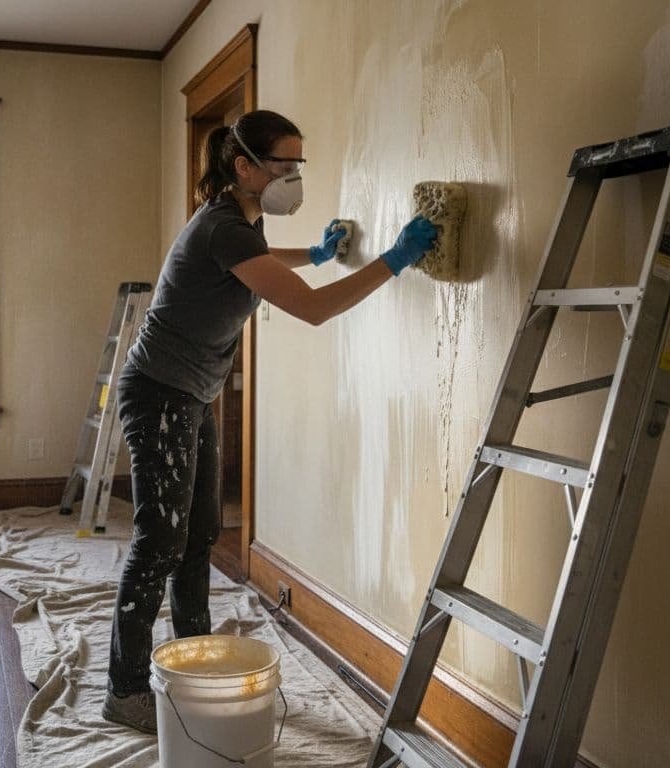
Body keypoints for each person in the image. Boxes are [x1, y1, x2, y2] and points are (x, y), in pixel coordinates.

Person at [101, 109, 437, 733]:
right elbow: (309, 310)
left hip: (192, 394)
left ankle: (190, 662)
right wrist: (395, 259)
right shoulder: (224, 226)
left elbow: (259, 261)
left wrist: (312, 253)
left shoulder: (240, 227)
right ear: (244, 167)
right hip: (158, 393)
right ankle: (124, 689)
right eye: (283, 166)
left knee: (198, 534)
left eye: (298, 166)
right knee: (160, 540)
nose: (293, 177)